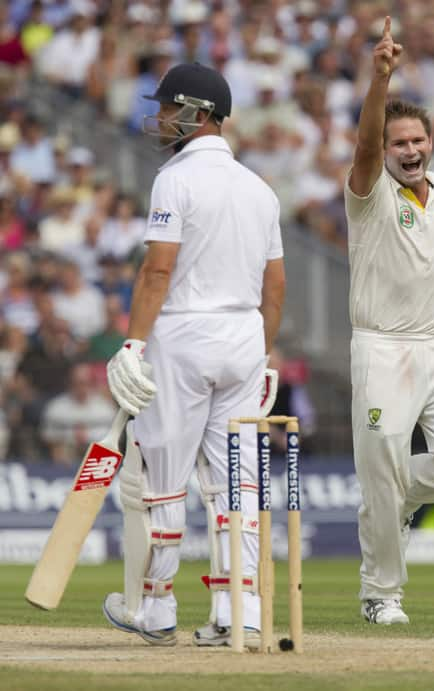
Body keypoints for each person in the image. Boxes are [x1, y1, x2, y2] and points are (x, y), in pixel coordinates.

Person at [102, 62, 285, 649]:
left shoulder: (174, 179)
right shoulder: (260, 188)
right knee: (238, 484)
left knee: (165, 480)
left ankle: (155, 611)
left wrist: (132, 343)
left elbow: (158, 269)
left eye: (165, 108)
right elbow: (274, 287)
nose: (157, 118)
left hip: (182, 335)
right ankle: (242, 609)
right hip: (243, 340)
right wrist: (263, 357)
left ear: (196, 112)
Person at [344, 17, 434, 626]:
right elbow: (363, 148)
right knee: (380, 451)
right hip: (383, 346)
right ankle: (382, 594)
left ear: (430, 143)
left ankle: (393, 498)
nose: (410, 151)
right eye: (398, 143)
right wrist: (381, 79)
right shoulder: (369, 189)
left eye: (417, 142)